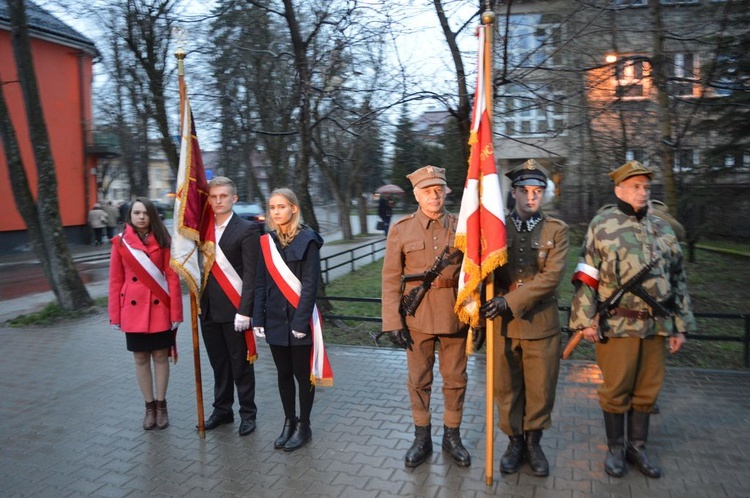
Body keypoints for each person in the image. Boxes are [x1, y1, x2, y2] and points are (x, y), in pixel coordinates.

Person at [569, 160, 695, 479]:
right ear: (619, 190)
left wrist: (679, 324)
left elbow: (678, 277)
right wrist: (586, 320)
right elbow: (587, 276)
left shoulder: (663, 227)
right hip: (617, 324)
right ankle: (615, 449)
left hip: (655, 325)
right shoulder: (602, 224)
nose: (642, 192)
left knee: (647, 389)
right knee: (616, 388)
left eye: (646, 187)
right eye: (636, 187)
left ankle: (637, 447)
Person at [479, 159, 569, 477]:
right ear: (514, 192)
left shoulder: (556, 231)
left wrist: (508, 300)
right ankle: (514, 442)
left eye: (538, 191)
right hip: (503, 326)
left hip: (540, 323)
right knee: (506, 388)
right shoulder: (495, 228)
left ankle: (534, 443)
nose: (532, 197)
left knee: (540, 389)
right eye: (526, 191)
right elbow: (483, 271)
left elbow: (550, 278)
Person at [381, 165, 472, 468]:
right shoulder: (402, 229)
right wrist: (393, 321)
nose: (434, 195)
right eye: (427, 191)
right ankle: (422, 438)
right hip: (416, 318)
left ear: (446, 191)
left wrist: (477, 318)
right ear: (416, 194)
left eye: (438, 189)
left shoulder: (463, 227)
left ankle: (452, 435)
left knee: (455, 379)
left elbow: (475, 275)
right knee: (419, 380)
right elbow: (391, 278)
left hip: (454, 316)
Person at [252, 188, 326, 452]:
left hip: (298, 322)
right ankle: (289, 421)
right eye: (272, 207)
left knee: (302, 375)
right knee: (282, 375)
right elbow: (260, 283)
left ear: (294, 208)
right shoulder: (267, 242)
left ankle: (303, 425)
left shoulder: (308, 240)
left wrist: (299, 322)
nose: (276, 212)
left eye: (281, 206)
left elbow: (310, 286)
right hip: (273, 320)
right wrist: (258, 318)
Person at [108, 197, 183, 430]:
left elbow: (172, 278)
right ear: (130, 216)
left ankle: (161, 406)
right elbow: (115, 280)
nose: (141, 217)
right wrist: (115, 315)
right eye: (136, 213)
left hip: (160, 307)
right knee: (140, 358)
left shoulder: (164, 240)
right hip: (132, 310)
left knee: (161, 357)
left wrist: (176, 312)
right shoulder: (120, 243)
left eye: (145, 213)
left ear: (152, 216)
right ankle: (149, 407)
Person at [199, 176, 261, 437]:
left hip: (235, 310)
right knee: (218, 364)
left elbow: (251, 275)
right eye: (213, 197)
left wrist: (245, 311)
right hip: (208, 309)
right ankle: (222, 410)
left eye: (223, 196)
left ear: (234, 198)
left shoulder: (247, 229)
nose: (218, 201)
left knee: (240, 365)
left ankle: (247, 413)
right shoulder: (201, 230)